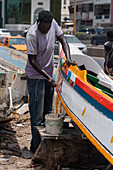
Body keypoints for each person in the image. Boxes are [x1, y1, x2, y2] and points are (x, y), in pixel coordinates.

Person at [25, 10, 74, 153]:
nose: (46, 30)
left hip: (48, 75)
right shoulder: (32, 34)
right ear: (38, 23)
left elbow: (63, 39)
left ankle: (44, 147)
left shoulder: (53, 24)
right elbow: (32, 61)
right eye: (44, 28)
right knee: (37, 115)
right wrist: (48, 77)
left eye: (48, 27)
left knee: (47, 112)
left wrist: (68, 57)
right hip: (36, 77)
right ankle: (36, 148)